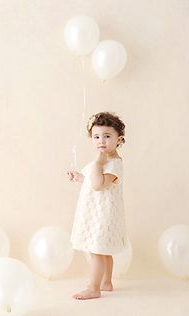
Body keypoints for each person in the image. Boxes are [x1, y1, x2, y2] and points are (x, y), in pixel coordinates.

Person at [67, 111, 128, 300]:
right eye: (96, 136)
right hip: (97, 212)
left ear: (119, 139)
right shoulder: (103, 162)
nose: (101, 141)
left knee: (97, 251)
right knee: (104, 250)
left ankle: (94, 287)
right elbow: (91, 182)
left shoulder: (113, 164)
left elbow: (99, 184)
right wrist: (79, 178)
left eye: (107, 136)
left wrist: (98, 163)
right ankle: (106, 282)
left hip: (103, 215)